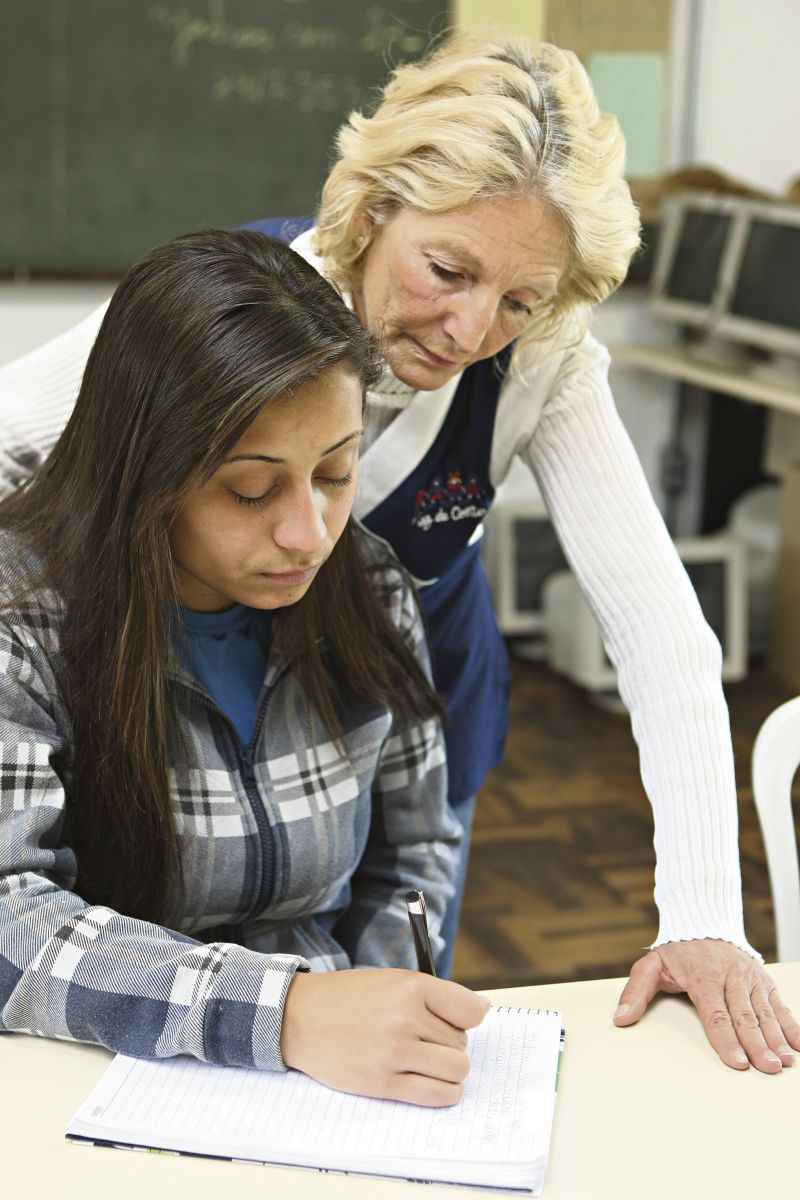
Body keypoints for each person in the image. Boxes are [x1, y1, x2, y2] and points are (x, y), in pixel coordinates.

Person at [1, 33, 798, 1072]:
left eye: (518, 298)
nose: (471, 330)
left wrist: (700, 909)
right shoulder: (234, 316)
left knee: (389, 965)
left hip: (396, 688)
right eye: (447, 270)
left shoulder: (540, 360)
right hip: (178, 695)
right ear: (374, 212)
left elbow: (657, 630)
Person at [0, 228, 491, 1106]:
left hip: (327, 1096)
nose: (309, 533)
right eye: (252, 490)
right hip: (94, 1078)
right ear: (143, 471)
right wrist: (288, 1014)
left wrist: (379, 1021)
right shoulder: (22, 615)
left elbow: (414, 851)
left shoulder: (368, 586)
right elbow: (11, 920)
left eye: (336, 473)